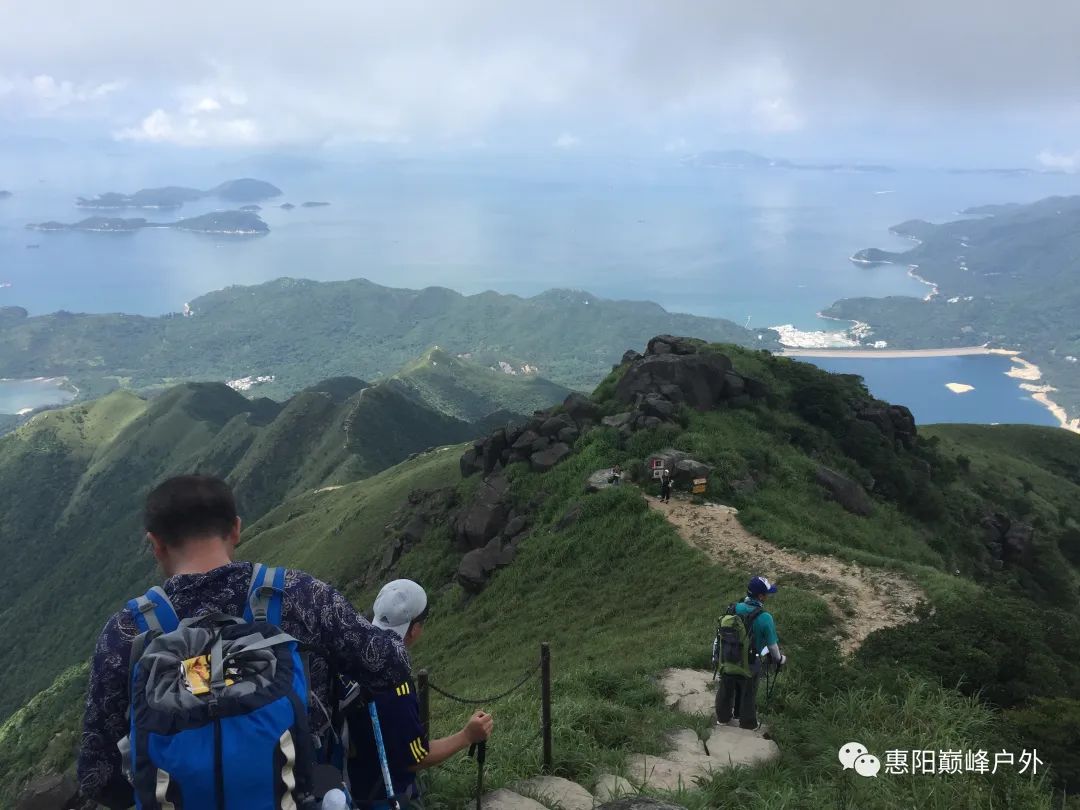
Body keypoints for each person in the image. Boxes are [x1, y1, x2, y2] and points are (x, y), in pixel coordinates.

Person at [77, 475, 412, 808]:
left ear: (155, 544)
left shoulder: (126, 633)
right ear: (236, 529)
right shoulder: (300, 596)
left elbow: (96, 774)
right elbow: (391, 666)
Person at [345, 579, 494, 807]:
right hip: (386, 797)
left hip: (351, 787)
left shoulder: (350, 662)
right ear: (413, 630)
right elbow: (415, 757)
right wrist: (467, 735)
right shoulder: (395, 684)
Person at [714, 576, 787, 731]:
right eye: (767, 593)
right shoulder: (765, 617)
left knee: (726, 688)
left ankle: (722, 718)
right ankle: (746, 723)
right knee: (749, 692)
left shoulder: (733, 608)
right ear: (760, 596)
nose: (768, 596)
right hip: (749, 665)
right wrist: (779, 659)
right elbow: (772, 647)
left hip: (728, 659)